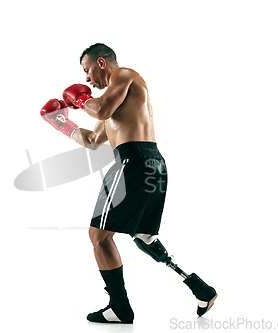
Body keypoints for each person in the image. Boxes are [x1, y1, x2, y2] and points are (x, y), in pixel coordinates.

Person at [40, 43, 217, 324]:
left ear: (101, 63)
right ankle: (200, 288)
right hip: (153, 164)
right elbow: (92, 140)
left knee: (98, 236)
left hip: (133, 162)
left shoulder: (124, 75)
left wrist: (80, 99)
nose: (87, 79)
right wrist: (61, 124)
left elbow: (98, 110)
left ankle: (119, 307)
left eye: (87, 71)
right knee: (143, 237)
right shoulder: (113, 104)